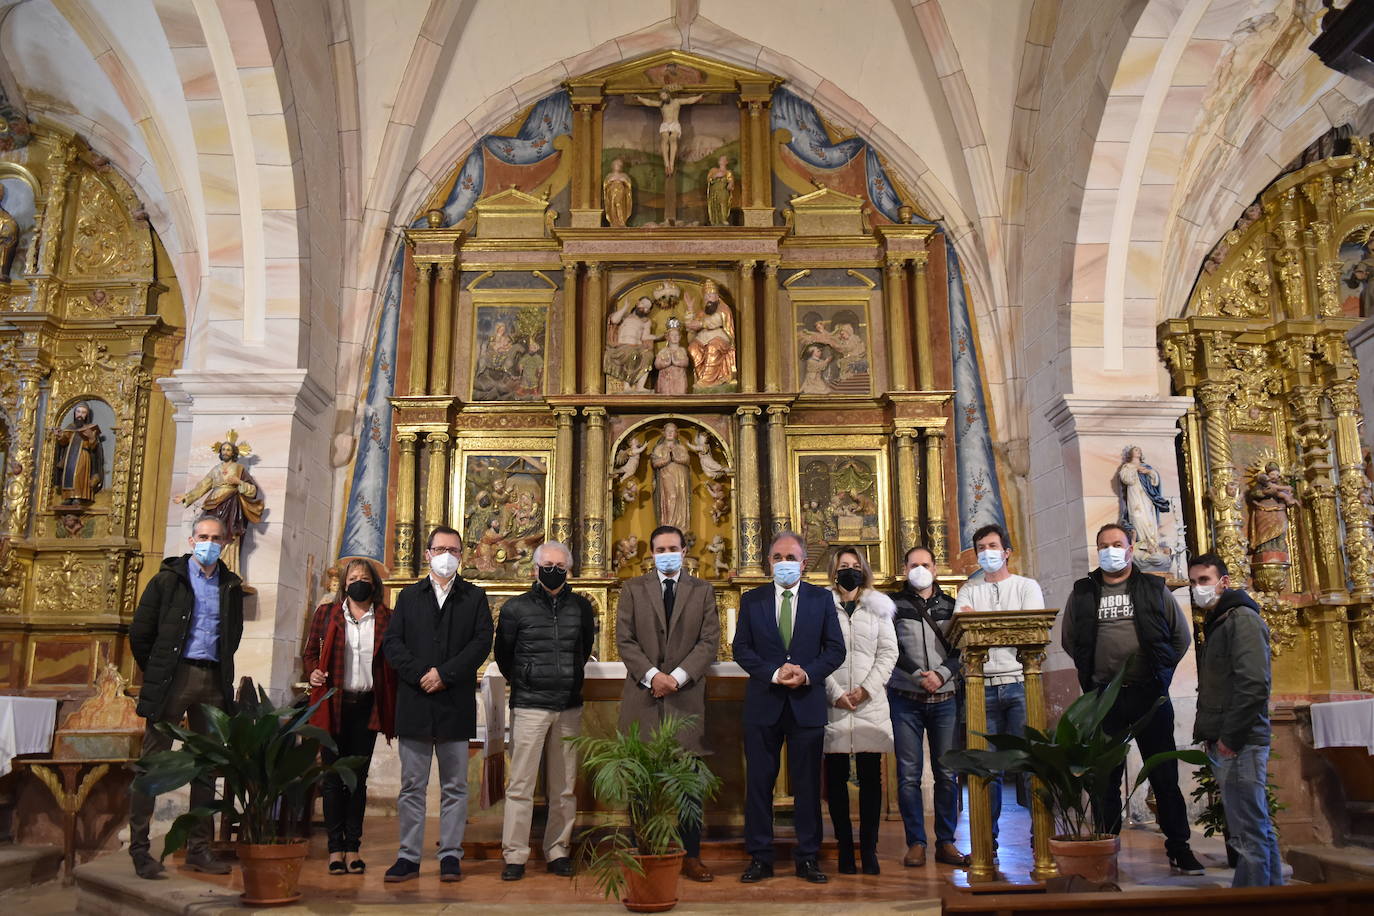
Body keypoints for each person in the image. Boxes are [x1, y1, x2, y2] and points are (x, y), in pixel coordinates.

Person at [1060, 523, 1203, 874]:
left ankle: (1179, 846)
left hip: (1149, 695)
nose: (1111, 550)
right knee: (1106, 778)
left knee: (1164, 775)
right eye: (1104, 545)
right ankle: (1106, 848)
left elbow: (1179, 637)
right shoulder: (1083, 592)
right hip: (1104, 699)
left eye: (1117, 544)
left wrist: (1161, 675)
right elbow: (1069, 639)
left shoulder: (1153, 587)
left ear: (1130, 546)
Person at [127, 515, 243, 879]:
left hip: (211, 680)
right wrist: (160, 671)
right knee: (154, 764)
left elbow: (233, 634)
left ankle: (199, 849)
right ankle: (140, 850)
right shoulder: (167, 580)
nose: (209, 543)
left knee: (206, 768)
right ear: (192, 540)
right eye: (203, 537)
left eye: (216, 538)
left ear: (224, 543)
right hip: (174, 679)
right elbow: (141, 633)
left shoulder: (230, 585)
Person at [381, 526, 494, 884]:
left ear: (462, 556)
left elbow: (480, 643)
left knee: (455, 786)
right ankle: (408, 856)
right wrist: (420, 675)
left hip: (454, 701)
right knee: (412, 785)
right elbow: (393, 643)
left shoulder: (474, 597)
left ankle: (450, 854)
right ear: (428, 553)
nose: (447, 555)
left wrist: (444, 674)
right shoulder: (409, 596)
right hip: (414, 702)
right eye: (440, 548)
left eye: (454, 550)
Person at [732, 531, 846, 884]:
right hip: (764, 705)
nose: (784, 563)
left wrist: (807, 673)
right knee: (759, 785)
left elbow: (835, 649)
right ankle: (760, 857)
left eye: (790, 557)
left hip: (806, 706)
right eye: (778, 557)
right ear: (769, 562)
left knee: (808, 786)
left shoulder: (821, 600)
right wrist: (773, 673)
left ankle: (808, 857)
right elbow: (742, 649)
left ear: (803, 563)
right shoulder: (752, 601)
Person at [616, 525, 721, 882]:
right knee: (641, 782)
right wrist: (652, 676)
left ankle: (691, 855)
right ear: (652, 553)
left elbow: (709, 642)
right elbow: (625, 640)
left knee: (688, 784)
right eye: (660, 549)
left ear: (683, 550)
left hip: (685, 699)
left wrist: (675, 678)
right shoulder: (632, 589)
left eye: (673, 547)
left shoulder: (703, 590)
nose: (667, 554)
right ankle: (642, 851)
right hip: (643, 699)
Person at [495, 540, 597, 881]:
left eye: (560, 567)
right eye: (547, 566)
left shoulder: (582, 608)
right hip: (529, 706)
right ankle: (515, 854)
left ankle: (558, 851)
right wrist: (526, 681)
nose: (554, 572)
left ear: (568, 571)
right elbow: (504, 655)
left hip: (568, 706)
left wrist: (565, 679)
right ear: (535, 569)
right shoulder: (515, 609)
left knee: (564, 786)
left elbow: (583, 649)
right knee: (521, 784)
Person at [1189, 552, 1282, 887]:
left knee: (1248, 832)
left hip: (1240, 741)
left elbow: (1254, 683)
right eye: (1194, 581)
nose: (1198, 588)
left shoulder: (1241, 619)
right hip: (1231, 737)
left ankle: (1256, 900)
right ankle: (1269, 897)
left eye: (1205, 580)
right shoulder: (1222, 619)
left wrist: (1230, 738)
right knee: (1252, 829)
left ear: (1224, 582)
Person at [303, 557, 398, 875]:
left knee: (356, 780)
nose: (359, 581)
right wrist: (314, 672)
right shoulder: (327, 614)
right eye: (353, 576)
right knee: (332, 778)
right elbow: (310, 653)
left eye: (365, 577)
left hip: (367, 705)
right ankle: (334, 849)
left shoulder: (387, 617)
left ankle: (353, 847)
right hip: (334, 704)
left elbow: (395, 658)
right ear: (344, 583)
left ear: (374, 584)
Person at [954, 523, 1043, 850]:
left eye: (993, 546)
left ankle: (1041, 837)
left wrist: (984, 626)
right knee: (985, 770)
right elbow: (964, 632)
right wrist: (1001, 627)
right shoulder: (968, 590)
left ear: (1006, 551)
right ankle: (985, 841)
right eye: (981, 548)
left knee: (1031, 765)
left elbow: (1031, 630)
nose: (987, 553)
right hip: (983, 687)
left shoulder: (1026, 586)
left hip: (1021, 683)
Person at [888, 545, 968, 868]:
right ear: (905, 569)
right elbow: (889, 647)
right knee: (908, 775)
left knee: (947, 774)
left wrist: (942, 674)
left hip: (945, 698)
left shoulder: (952, 606)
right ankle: (916, 842)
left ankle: (946, 841)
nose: (919, 569)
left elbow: (962, 647)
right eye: (913, 565)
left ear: (935, 569)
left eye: (925, 564)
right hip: (906, 699)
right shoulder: (892, 605)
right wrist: (918, 675)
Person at [822, 547, 896, 875]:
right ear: (833, 572)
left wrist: (866, 689)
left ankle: (868, 849)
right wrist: (835, 693)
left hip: (870, 701)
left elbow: (888, 653)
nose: (849, 571)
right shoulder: (822, 606)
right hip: (833, 702)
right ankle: (844, 850)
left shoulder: (878, 607)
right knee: (835, 778)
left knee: (870, 777)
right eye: (843, 566)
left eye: (854, 565)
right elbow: (814, 652)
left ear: (863, 569)